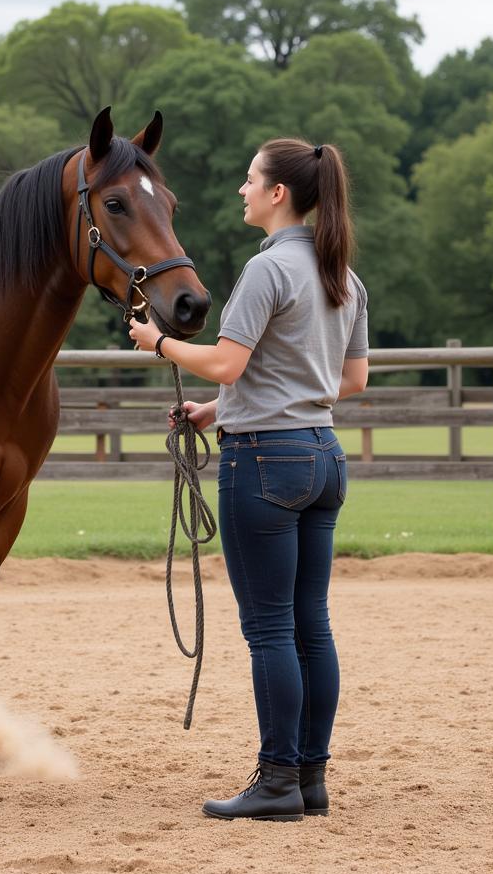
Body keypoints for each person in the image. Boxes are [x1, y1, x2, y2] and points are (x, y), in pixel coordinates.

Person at [128, 138, 369, 823]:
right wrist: (216, 412)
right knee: (309, 627)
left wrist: (160, 343)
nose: (241, 188)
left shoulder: (267, 271)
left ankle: (275, 781)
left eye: (250, 178)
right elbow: (347, 381)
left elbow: (229, 363)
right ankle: (310, 778)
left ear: (277, 195)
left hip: (263, 461)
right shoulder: (343, 275)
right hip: (322, 454)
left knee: (268, 631)